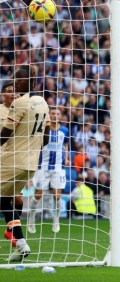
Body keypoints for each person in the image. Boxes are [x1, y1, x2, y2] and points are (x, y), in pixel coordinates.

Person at [0, 64, 50, 261]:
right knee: (5, 198)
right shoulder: (43, 103)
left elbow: (3, 137)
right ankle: (20, 243)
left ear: (30, 81)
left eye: (18, 79)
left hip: (12, 159)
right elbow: (46, 139)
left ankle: (20, 242)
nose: (15, 82)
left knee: (4, 199)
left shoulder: (19, 104)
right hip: (30, 164)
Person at [28, 107, 70, 234]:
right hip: (43, 167)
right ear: (49, 115)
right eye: (52, 113)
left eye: (57, 113)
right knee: (37, 195)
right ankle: (31, 219)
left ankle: (56, 220)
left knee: (57, 196)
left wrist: (67, 159)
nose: (55, 115)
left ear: (60, 116)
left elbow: (65, 145)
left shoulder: (64, 130)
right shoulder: (43, 129)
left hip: (58, 167)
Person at [1, 81, 24, 247]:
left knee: (17, 200)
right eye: (9, 91)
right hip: (1, 158)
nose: (12, 94)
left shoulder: (22, 110)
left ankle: (11, 229)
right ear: (3, 94)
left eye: (14, 91)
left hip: (16, 159)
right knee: (4, 200)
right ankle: (17, 237)